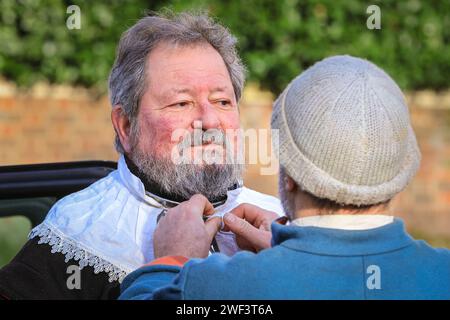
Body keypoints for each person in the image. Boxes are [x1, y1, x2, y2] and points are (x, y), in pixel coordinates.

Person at [0, 11, 283, 300]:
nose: (209, 121)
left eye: (222, 101)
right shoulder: (78, 233)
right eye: (181, 103)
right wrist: (174, 264)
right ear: (126, 125)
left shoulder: (283, 223)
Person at [119, 55, 450, 300]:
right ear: (402, 170)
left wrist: (170, 260)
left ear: (289, 173)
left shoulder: (218, 289)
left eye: (222, 101)